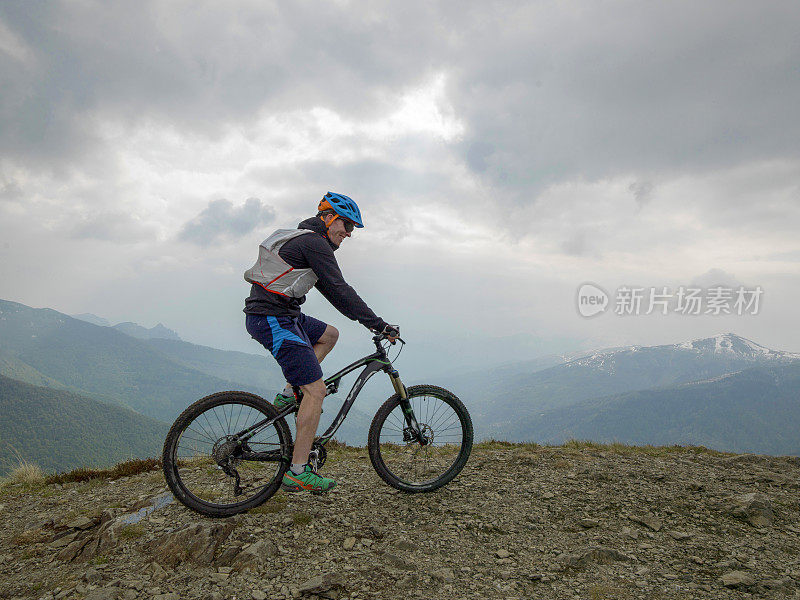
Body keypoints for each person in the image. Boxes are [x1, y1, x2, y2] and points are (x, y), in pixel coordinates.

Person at [243, 192, 398, 493]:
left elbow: (332, 291)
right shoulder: (314, 243)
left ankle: (289, 394)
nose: (349, 233)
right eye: (347, 225)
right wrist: (378, 324)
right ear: (328, 218)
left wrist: (365, 319)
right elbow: (341, 290)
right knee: (316, 391)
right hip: (273, 319)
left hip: (283, 315)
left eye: (352, 229)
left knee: (329, 335)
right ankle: (298, 471)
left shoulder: (310, 241)